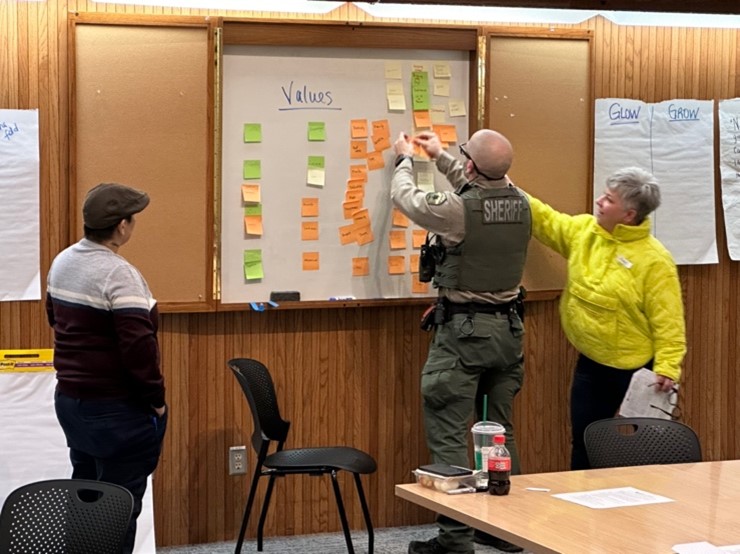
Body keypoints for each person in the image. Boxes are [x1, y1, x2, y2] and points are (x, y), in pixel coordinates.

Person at [392, 129, 529, 554]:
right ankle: (506, 529)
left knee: (450, 433)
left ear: (470, 165)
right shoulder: (522, 202)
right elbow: (479, 188)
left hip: (464, 336)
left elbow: (408, 199)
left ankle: (455, 541)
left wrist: (405, 161)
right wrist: (441, 155)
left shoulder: (457, 211)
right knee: (498, 434)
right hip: (508, 333)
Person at [526, 167, 686, 470]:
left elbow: (669, 320)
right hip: (594, 363)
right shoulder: (585, 233)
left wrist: (667, 365)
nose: (599, 201)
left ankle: (639, 513)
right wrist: (507, 187)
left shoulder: (655, 260)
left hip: (638, 369)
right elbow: (546, 220)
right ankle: (583, 511)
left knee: (644, 451)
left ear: (628, 215)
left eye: (608, 200)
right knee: (585, 441)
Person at [46, 183, 167, 554]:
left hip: (71, 401)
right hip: (117, 410)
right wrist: (156, 400)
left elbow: (54, 318)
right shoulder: (119, 275)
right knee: (118, 508)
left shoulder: (63, 261)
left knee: (84, 496)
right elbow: (138, 348)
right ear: (122, 226)